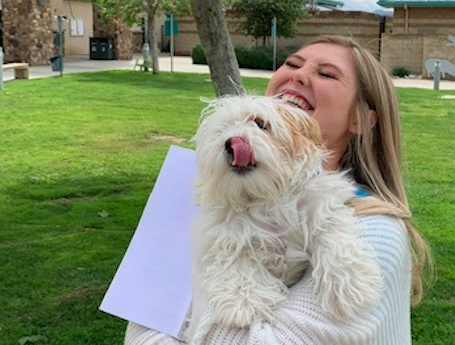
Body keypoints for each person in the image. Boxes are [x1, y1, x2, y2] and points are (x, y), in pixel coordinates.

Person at [125, 35, 432, 345]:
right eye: (291, 64)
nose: (298, 74)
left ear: (362, 120)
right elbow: (141, 329)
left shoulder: (374, 231)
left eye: (326, 74)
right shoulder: (196, 191)